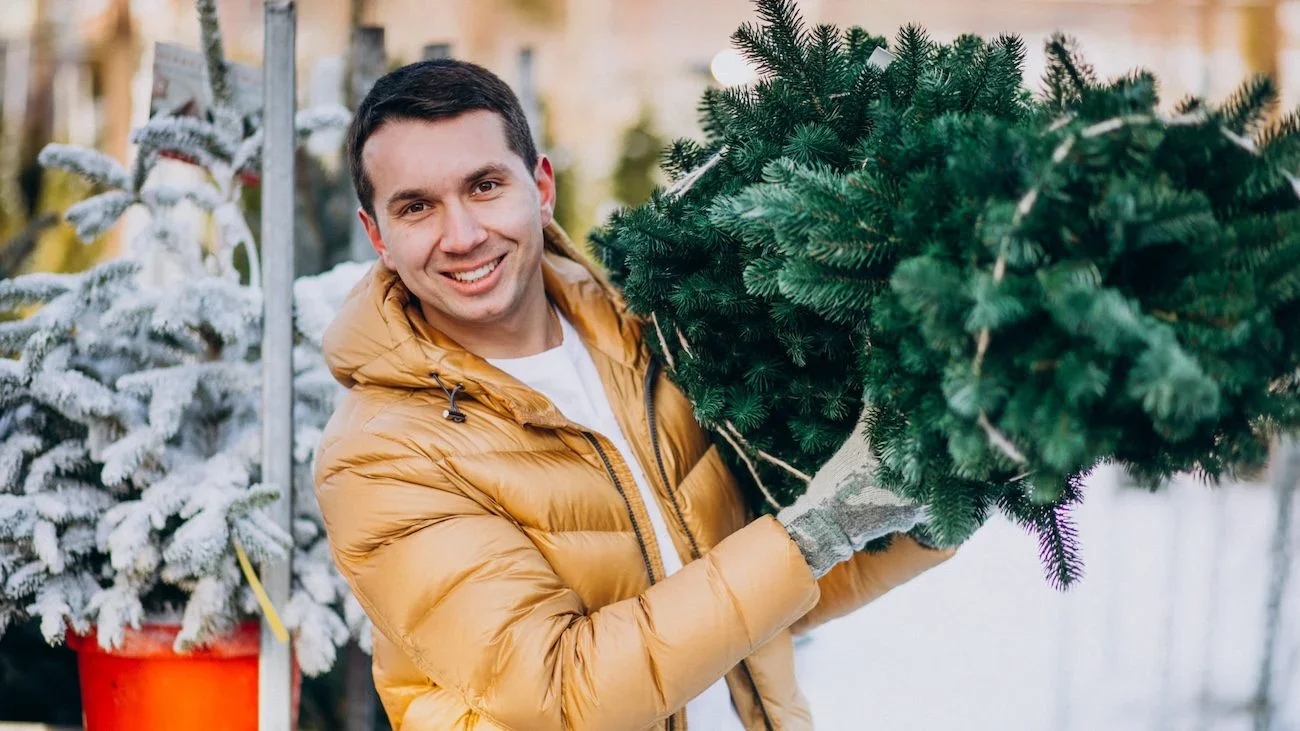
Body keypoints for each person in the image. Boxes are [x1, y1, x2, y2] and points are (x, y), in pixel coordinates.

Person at [314, 58, 957, 731]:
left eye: (484, 186)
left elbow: (768, 589)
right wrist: (818, 531)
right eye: (417, 206)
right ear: (378, 235)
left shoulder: (649, 333)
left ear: (540, 186)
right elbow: (565, 691)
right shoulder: (378, 456)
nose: (463, 234)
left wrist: (937, 496)